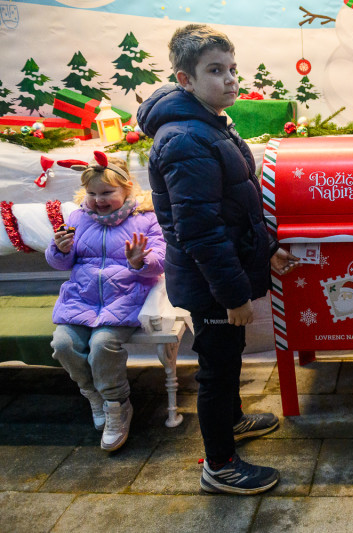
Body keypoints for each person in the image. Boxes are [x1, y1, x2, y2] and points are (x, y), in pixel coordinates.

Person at [137, 23, 298, 495]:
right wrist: (232, 296)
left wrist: (267, 249)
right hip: (211, 284)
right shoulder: (186, 139)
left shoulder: (210, 123)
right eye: (215, 70)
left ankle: (233, 422)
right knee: (218, 370)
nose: (230, 79)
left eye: (231, 68)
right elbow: (201, 231)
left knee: (228, 357)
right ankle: (220, 466)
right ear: (185, 79)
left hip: (222, 276)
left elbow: (238, 205)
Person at [47, 152, 166, 453]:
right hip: (81, 299)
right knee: (63, 344)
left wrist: (139, 261)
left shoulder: (146, 218)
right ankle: (93, 395)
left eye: (107, 192)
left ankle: (116, 404)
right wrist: (60, 250)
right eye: (92, 193)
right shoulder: (77, 218)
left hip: (124, 299)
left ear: (127, 188)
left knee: (102, 345)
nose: (98, 200)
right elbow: (61, 264)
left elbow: (161, 259)